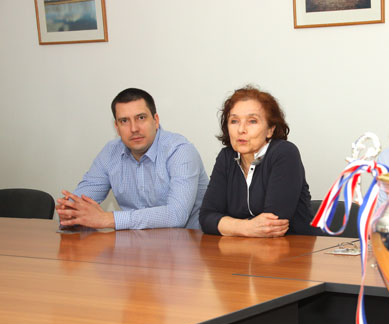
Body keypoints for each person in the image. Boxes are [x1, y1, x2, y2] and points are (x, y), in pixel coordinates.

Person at [56, 88, 209, 230]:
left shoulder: (179, 151)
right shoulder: (111, 152)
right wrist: (70, 212)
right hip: (134, 244)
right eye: (124, 121)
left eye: (141, 118)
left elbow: (176, 215)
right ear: (116, 127)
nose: (134, 129)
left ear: (156, 120)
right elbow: (78, 203)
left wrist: (109, 219)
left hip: (188, 244)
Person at [199, 86, 316, 237]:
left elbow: (273, 224)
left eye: (252, 121)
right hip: (243, 248)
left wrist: (227, 225)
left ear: (270, 129)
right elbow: (206, 218)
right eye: (234, 121)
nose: (241, 129)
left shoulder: (284, 153)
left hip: (295, 247)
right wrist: (245, 227)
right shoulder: (226, 157)